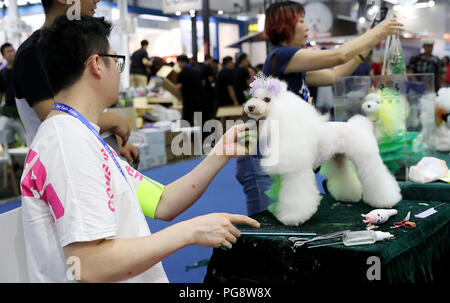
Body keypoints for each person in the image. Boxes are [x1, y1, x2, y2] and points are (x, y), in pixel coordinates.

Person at [22, 15, 259, 283]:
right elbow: (89, 265)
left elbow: (163, 202)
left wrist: (220, 152)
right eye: (116, 60)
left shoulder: (80, 135)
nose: (119, 71)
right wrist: (191, 231)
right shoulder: (67, 143)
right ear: (97, 64)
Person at [236, 1, 404, 216]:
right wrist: (376, 33)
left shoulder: (292, 62)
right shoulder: (283, 55)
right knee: (265, 227)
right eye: (301, 21)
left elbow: (335, 74)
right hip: (262, 155)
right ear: (284, 26)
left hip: (282, 147)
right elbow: (338, 55)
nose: (307, 27)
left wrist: (366, 48)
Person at [12, 0, 138, 164]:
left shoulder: (78, 46)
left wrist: (112, 143)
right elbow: (56, 118)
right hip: (62, 165)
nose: (97, 0)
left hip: (92, 157)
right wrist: (111, 120)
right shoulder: (32, 54)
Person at [0, 43, 26, 145]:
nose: (12, 53)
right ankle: (12, 161)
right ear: (3, 55)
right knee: (5, 141)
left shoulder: (22, 69)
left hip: (22, 112)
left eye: (13, 50)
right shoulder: (2, 73)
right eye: (8, 51)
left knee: (27, 140)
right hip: (8, 111)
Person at [176, 54, 205, 125]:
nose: (178, 65)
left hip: (188, 100)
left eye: (179, 63)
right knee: (199, 120)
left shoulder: (182, 73)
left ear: (182, 62)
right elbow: (203, 83)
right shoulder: (197, 71)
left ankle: (188, 135)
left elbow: (178, 87)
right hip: (199, 99)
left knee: (187, 120)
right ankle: (200, 135)